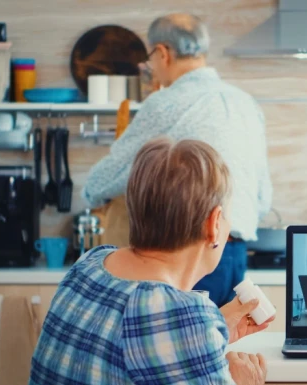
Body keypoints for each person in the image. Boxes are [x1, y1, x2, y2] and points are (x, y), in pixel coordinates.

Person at [31, 137, 273, 385]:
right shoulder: (178, 316)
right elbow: (160, 327)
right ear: (214, 224)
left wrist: (213, 331)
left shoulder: (88, 265)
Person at [81, 13, 272, 308]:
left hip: (189, 257)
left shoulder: (167, 102)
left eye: (151, 59)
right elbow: (263, 198)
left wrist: (90, 193)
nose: (152, 67)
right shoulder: (245, 103)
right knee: (217, 350)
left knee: (174, 352)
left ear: (162, 53)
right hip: (234, 256)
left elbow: (106, 179)